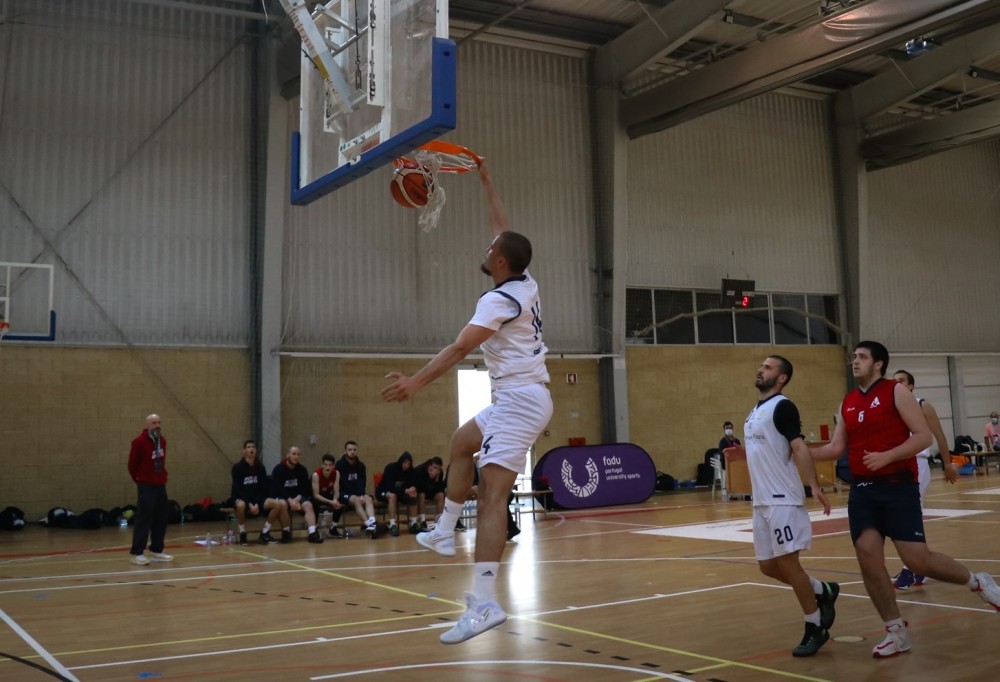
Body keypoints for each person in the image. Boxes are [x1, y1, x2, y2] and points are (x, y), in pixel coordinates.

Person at [382, 160, 553, 644]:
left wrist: (416, 382)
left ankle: (484, 604)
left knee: (494, 494)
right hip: (516, 397)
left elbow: (459, 349)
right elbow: (503, 228)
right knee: (461, 443)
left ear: (500, 261)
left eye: (490, 249)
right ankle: (444, 529)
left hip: (520, 401)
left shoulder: (497, 302)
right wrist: (487, 181)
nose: (487, 246)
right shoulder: (523, 280)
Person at [811, 341, 1000, 658]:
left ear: (878, 364)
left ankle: (978, 582)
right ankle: (896, 632)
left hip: (897, 486)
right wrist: (798, 451)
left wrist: (887, 456)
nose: (854, 361)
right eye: (853, 356)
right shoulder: (847, 402)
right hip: (863, 491)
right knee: (868, 558)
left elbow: (923, 436)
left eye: (862, 357)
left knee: (917, 560)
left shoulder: (896, 392)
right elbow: (834, 448)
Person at [729, 356, 838, 657]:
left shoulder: (783, 406)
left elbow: (799, 447)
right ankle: (823, 590)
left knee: (789, 565)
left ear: (782, 378)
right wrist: (741, 453)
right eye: (761, 365)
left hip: (783, 499)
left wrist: (813, 486)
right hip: (761, 500)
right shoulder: (755, 411)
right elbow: (766, 449)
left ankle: (815, 626)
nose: (760, 369)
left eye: (768, 367)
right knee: (768, 566)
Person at [890, 370, 959, 589]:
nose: (896, 383)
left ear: (911, 386)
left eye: (901, 380)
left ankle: (910, 570)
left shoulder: (922, 405)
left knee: (908, 516)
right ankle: (918, 566)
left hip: (917, 464)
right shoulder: (891, 408)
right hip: (896, 466)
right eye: (894, 381)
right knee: (905, 517)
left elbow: (939, 435)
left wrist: (947, 464)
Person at [127, 413, 173, 566]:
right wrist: (140, 479)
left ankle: (156, 550)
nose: (157, 425)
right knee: (144, 518)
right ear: (147, 425)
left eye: (159, 422)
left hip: (160, 484)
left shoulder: (163, 441)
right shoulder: (139, 442)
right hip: (146, 485)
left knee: (161, 517)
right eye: (154, 422)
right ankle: (137, 553)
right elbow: (132, 466)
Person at [231, 439, 287, 545]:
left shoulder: (260, 467)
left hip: (257, 498)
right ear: (244, 451)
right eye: (248, 447)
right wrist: (250, 504)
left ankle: (265, 532)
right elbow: (238, 489)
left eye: (253, 447)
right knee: (241, 505)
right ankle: (243, 533)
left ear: (256, 450)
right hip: (242, 498)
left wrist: (256, 502)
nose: (251, 449)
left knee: (278, 504)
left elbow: (262, 487)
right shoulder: (237, 468)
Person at [271, 446, 323, 543]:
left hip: (298, 497)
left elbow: (305, 488)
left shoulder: (302, 470)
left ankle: (312, 533)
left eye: (298, 454)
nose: (296, 457)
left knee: (308, 505)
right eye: (294, 454)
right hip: (284, 496)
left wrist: (298, 498)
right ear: (288, 455)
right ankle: (286, 532)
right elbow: (278, 488)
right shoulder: (278, 469)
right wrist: (290, 500)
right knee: (282, 504)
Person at [335, 440, 377, 537]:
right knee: (356, 500)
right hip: (343, 493)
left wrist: (361, 494)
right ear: (345, 451)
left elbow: (362, 481)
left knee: (368, 498)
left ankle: (372, 522)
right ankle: (369, 525)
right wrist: (356, 495)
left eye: (354, 449)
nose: (352, 452)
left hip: (357, 493)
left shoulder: (361, 466)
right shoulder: (340, 465)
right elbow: (343, 483)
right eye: (349, 450)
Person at [375, 451, 417, 536]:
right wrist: (405, 491)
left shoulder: (410, 470)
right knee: (393, 496)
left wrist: (413, 489)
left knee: (413, 496)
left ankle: (414, 523)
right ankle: (392, 524)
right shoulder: (390, 468)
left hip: (400, 493)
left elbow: (412, 483)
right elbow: (390, 486)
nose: (406, 465)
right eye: (405, 463)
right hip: (383, 491)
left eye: (409, 463)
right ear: (401, 461)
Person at [311, 453, 345, 539]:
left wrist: (335, 500)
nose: (327, 467)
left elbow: (336, 491)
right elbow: (316, 495)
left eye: (330, 465)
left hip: (328, 494)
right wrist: (330, 502)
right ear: (322, 465)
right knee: (315, 503)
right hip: (317, 496)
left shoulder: (336, 473)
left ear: (333, 466)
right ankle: (314, 529)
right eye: (325, 464)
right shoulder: (316, 475)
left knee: (340, 502)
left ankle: (333, 527)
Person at [412, 456, 447, 531]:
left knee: (441, 495)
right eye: (435, 467)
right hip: (420, 491)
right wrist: (430, 478)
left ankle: (439, 520)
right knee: (422, 494)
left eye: (438, 469)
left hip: (431, 491)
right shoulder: (420, 470)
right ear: (430, 465)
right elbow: (419, 487)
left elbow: (440, 488)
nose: (436, 470)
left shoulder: (439, 473)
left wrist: (436, 480)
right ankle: (422, 521)